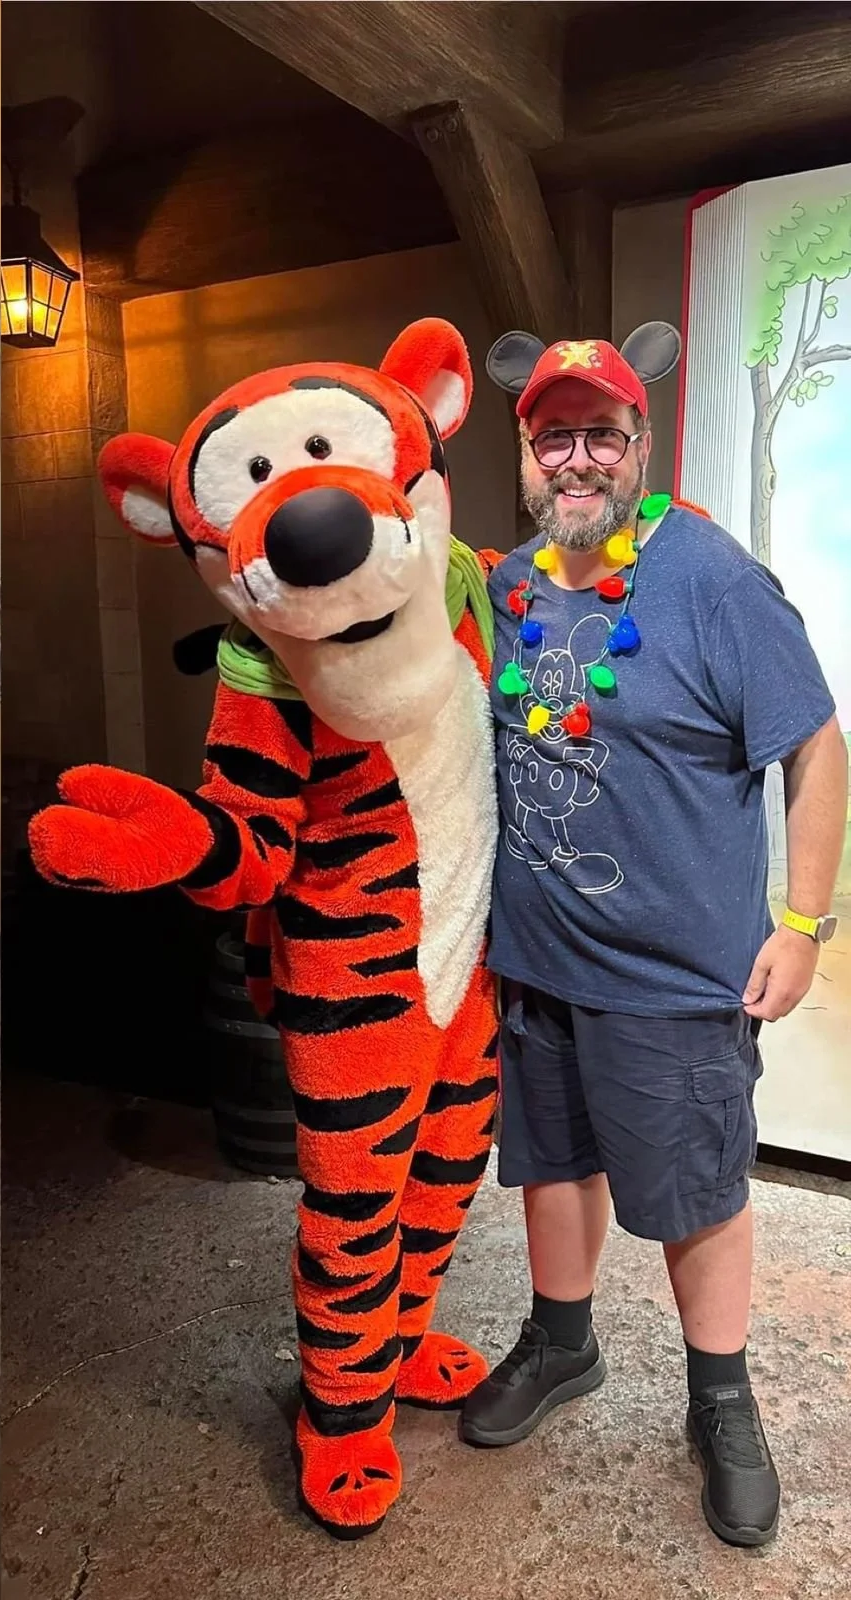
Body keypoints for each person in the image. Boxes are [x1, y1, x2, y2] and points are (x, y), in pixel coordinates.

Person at [463, 325, 847, 1550]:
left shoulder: (711, 578)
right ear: (525, 453)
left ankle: (720, 1397)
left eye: (601, 434)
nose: (577, 459)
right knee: (551, 1164)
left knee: (695, 1190)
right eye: (553, 438)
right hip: (536, 960)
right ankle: (561, 1341)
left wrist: (803, 922)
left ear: (641, 443)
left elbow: (815, 746)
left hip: (674, 976)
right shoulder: (507, 587)